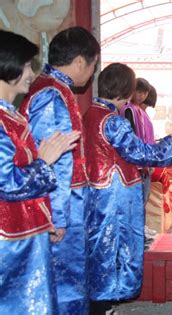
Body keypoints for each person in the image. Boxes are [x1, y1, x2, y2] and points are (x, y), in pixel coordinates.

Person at [83, 63, 172, 313]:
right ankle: (103, 303)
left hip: (96, 192)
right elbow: (139, 152)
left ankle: (100, 302)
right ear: (126, 90)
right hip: (114, 197)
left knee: (98, 247)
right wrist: (170, 142)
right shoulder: (112, 121)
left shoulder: (90, 113)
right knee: (113, 248)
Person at [19, 26, 100, 315]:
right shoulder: (53, 95)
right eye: (92, 66)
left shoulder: (51, 88)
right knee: (65, 283)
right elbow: (54, 160)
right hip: (62, 206)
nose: (91, 74)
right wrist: (58, 216)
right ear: (80, 62)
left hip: (64, 202)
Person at [0, 29, 81, 315]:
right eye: (25, 65)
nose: (30, 72)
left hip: (24, 230)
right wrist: (45, 162)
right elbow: (7, 183)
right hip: (10, 237)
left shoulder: (11, 116)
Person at [119, 78, 154, 203]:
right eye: (138, 92)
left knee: (143, 200)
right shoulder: (129, 109)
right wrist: (141, 162)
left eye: (144, 93)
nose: (141, 96)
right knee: (137, 201)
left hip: (145, 161)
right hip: (136, 164)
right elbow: (131, 138)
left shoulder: (140, 110)